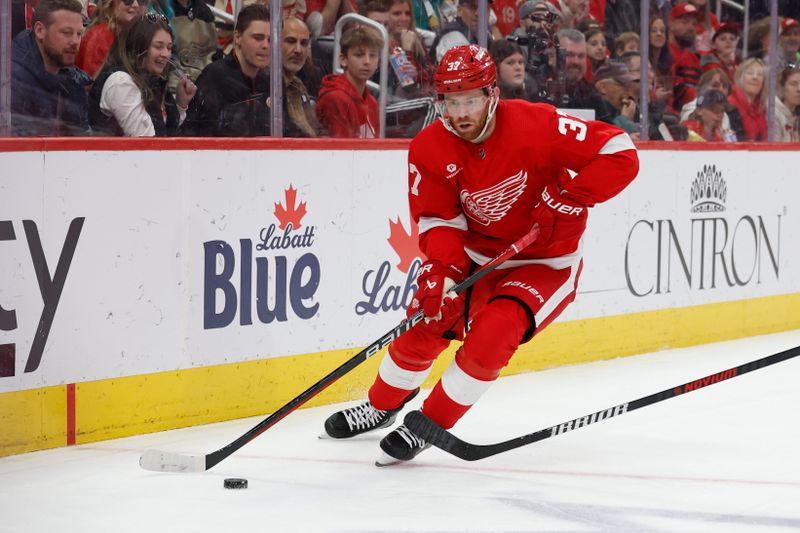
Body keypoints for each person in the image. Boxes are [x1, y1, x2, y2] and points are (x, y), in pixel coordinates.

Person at [321, 44, 638, 465]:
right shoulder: (429, 147)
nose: (462, 112)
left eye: (471, 100)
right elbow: (439, 221)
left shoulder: (537, 124)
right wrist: (441, 271)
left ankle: (430, 423)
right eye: (452, 102)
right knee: (425, 320)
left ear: (492, 95)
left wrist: (570, 196)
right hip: (477, 258)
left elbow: (620, 151)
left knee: (495, 332)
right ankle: (382, 405)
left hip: (544, 261)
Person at [89, 13, 196, 136]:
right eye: (158, 46)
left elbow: (167, 135)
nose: (166, 54)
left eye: (169, 47)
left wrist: (180, 105)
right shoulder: (120, 82)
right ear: (138, 46)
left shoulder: (154, 81)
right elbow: (147, 142)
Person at [181, 4, 271, 137]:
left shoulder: (273, 81)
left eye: (270, 40)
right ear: (237, 38)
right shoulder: (215, 78)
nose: (265, 45)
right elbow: (195, 136)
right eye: (258, 38)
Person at [11, 0, 91, 136]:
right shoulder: (12, 81)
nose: (75, 42)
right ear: (40, 30)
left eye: (79, 34)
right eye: (66, 33)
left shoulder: (73, 79)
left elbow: (82, 141)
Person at [316, 26, 381, 138]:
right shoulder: (335, 98)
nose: (367, 61)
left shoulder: (372, 102)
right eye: (359, 55)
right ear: (343, 60)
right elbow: (341, 152)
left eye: (373, 55)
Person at [76, 0, 146, 77]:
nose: (135, 5)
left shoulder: (140, 36)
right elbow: (92, 85)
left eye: (142, 0)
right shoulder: (99, 37)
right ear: (110, 2)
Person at [281, 17, 325, 137]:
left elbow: (317, 129)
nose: (298, 50)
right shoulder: (267, 84)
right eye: (291, 41)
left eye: (304, 43)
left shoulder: (298, 84)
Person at [668, 2, 702, 111]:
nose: (691, 27)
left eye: (693, 23)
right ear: (670, 23)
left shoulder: (694, 59)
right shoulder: (662, 54)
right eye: (685, 22)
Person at [728, 58, 767, 142]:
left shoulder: (763, 107)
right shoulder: (730, 105)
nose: (755, 77)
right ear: (740, 77)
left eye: (760, 74)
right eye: (750, 73)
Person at [593, 61, 638, 135]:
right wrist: (624, 120)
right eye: (623, 86)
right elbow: (605, 137)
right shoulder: (595, 111)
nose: (628, 93)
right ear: (603, 87)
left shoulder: (619, 110)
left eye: (629, 86)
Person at [775, 65, 800, 142]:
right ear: (782, 86)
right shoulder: (773, 114)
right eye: (793, 84)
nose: (799, 89)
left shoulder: (796, 114)